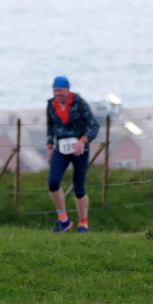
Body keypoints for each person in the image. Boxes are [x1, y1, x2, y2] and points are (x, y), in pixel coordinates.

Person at [46, 76, 99, 233]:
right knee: (53, 182)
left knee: (79, 187)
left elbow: (94, 126)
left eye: (60, 90)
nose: (58, 94)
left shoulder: (80, 103)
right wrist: (50, 147)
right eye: (55, 91)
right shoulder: (51, 105)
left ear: (68, 90)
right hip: (60, 149)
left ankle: (83, 224)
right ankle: (63, 220)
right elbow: (50, 126)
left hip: (79, 149)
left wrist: (83, 141)